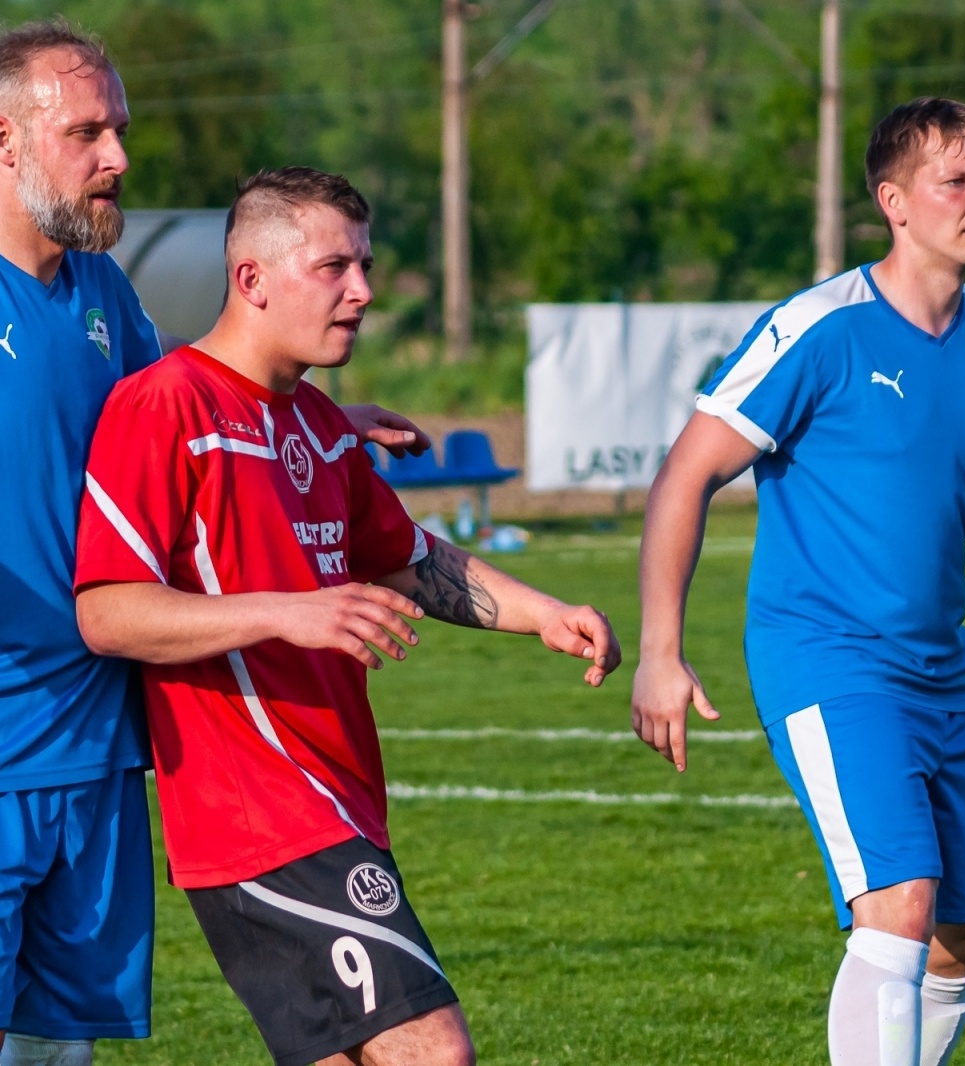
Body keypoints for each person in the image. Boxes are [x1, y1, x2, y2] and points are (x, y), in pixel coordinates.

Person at [0, 21, 432, 1066]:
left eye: (121, 129)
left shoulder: (102, 293)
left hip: (99, 740)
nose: (118, 159)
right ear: (4, 141)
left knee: (54, 1056)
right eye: (89, 133)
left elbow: (196, 402)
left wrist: (318, 413)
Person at [630, 98, 965, 1066]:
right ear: (893, 200)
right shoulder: (821, 329)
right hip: (826, 659)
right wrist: (659, 652)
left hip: (940, 669)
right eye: (956, 180)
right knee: (899, 901)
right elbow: (686, 473)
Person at [73, 167, 620, 1066]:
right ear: (251, 279)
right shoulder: (168, 407)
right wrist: (288, 612)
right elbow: (110, 613)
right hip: (259, 813)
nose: (362, 291)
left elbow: (413, 560)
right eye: (334, 268)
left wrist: (543, 614)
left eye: (363, 264)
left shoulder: (322, 426)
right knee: (432, 1049)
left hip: (339, 802)